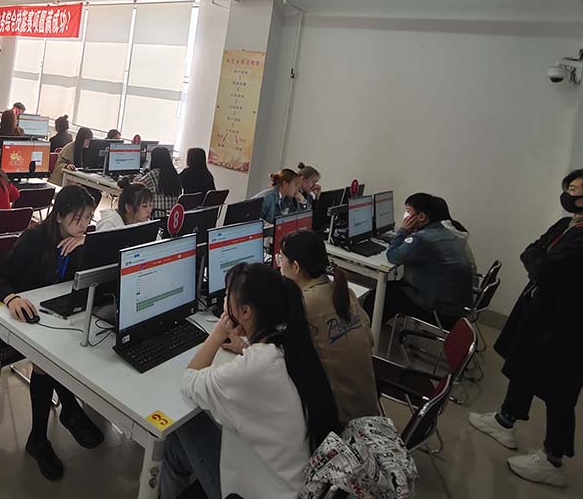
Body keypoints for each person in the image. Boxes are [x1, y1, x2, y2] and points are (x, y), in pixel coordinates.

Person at [470, 170, 583, 488]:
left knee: (560, 390)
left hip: (570, 326)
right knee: (524, 368)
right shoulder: (569, 223)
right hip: (544, 314)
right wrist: (537, 260)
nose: (567, 193)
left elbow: (545, 269)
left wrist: (538, 261)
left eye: (574, 189)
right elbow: (533, 250)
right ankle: (505, 421)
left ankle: (553, 460)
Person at [160, 262, 341, 499]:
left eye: (227, 295)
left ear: (245, 312)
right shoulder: (290, 345)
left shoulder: (253, 369)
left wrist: (219, 331)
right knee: (174, 448)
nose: (224, 300)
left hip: (258, 492)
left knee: (184, 424)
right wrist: (247, 346)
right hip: (290, 482)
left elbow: (189, 379)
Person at [0, 185, 105, 480]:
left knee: (78, 344)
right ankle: (49, 428)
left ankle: (64, 416)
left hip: (57, 315)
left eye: (88, 218)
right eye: (78, 218)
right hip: (20, 316)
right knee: (46, 359)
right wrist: (11, 298)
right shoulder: (35, 239)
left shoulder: (82, 238)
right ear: (59, 216)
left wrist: (87, 241)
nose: (84, 224)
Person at [278, 229, 380, 423]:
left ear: (296, 266)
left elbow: (277, 355)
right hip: (368, 410)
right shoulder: (344, 292)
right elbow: (370, 341)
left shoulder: (305, 303)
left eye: (281, 259)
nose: (279, 265)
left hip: (340, 422)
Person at [362, 191, 475, 327]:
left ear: (421, 217)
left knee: (377, 297)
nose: (405, 216)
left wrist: (403, 230)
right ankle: (376, 324)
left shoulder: (423, 238)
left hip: (440, 311)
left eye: (408, 212)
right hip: (456, 306)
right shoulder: (445, 232)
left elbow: (393, 255)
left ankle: (368, 332)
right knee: (392, 288)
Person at [136, 146, 182, 218]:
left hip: (157, 216)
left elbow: (137, 186)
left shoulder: (153, 174)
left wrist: (140, 175)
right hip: (173, 218)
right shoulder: (174, 173)